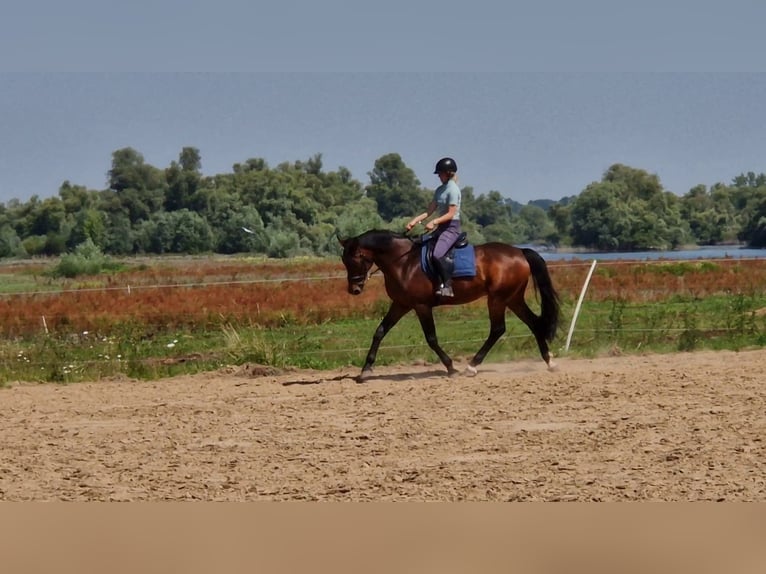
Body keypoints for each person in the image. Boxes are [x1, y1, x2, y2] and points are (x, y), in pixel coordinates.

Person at [406, 157, 462, 297]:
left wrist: (435, 222)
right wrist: (414, 221)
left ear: (448, 173)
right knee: (418, 245)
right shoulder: (440, 190)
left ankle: (447, 286)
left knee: (437, 254)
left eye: (440, 173)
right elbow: (429, 211)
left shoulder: (453, 190)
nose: (438, 176)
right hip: (441, 227)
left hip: (451, 228)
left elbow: (451, 214)